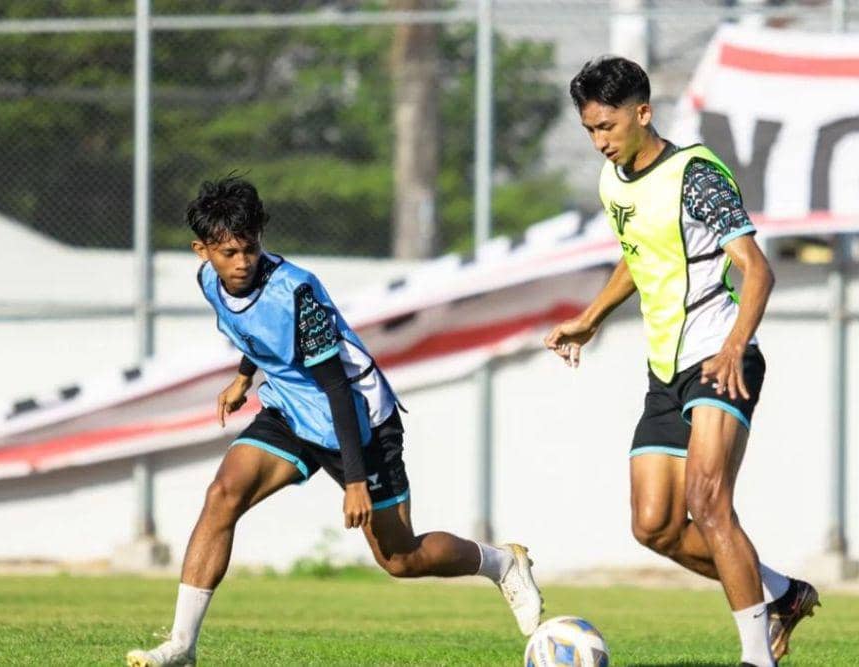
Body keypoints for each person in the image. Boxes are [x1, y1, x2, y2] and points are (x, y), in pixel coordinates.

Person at [126, 176, 542, 667]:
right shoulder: (209, 282)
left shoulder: (296, 295)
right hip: (290, 410)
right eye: (229, 253)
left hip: (359, 421)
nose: (242, 262)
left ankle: (501, 563)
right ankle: (182, 646)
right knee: (222, 495)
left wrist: (355, 481)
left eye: (250, 249)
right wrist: (243, 378)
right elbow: (255, 331)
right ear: (202, 251)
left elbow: (338, 389)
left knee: (399, 558)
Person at [544, 57, 818, 667]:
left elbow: (757, 269)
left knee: (709, 503)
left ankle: (757, 658)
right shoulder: (613, 181)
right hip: (665, 369)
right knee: (655, 526)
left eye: (608, 126)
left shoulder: (696, 175)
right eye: (590, 130)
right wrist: (591, 317)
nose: (599, 141)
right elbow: (639, 254)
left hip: (722, 356)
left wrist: (734, 346)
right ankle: (781, 593)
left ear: (643, 113)